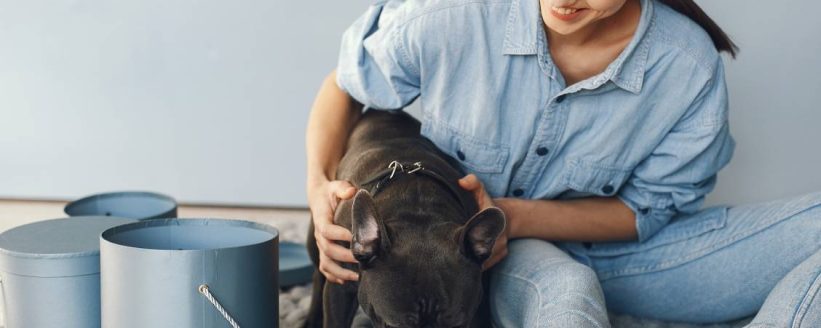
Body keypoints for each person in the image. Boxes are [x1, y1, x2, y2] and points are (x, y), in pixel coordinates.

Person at [305, 0, 821, 326]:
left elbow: (648, 211)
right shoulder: (452, 15)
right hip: (494, 260)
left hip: (634, 255)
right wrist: (318, 187)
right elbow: (346, 85)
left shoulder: (686, 64)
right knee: (568, 294)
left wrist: (515, 215)